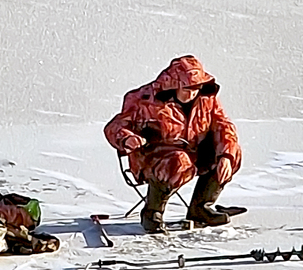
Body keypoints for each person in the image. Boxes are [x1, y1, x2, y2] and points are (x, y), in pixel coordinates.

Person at [102, 54, 242, 235]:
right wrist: (127, 138)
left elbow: (223, 125)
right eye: (187, 88)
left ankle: (201, 208)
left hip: (196, 154)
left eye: (196, 88)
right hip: (154, 160)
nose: (192, 93)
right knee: (178, 160)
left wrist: (226, 156)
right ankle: (152, 213)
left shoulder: (207, 98)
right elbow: (115, 126)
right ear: (174, 84)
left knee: (231, 152)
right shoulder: (145, 99)